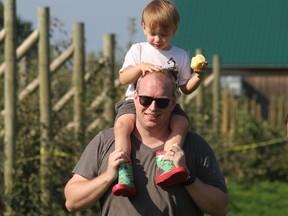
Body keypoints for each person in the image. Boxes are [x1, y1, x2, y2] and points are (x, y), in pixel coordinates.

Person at [64, 71, 229, 215]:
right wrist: (107, 176)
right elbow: (72, 202)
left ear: (173, 103)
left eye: (162, 102)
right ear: (135, 98)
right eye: (145, 100)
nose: (153, 107)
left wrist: (187, 176)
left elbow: (220, 208)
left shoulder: (194, 145)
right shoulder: (106, 141)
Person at [113, 0, 207, 196]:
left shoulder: (180, 55)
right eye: (152, 34)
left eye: (164, 35)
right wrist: (140, 68)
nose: (157, 39)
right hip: (136, 102)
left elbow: (185, 88)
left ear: (174, 30)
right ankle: (124, 166)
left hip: (168, 104)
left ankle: (168, 161)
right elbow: (123, 79)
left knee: (181, 122)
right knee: (122, 124)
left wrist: (197, 76)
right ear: (143, 27)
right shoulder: (138, 50)